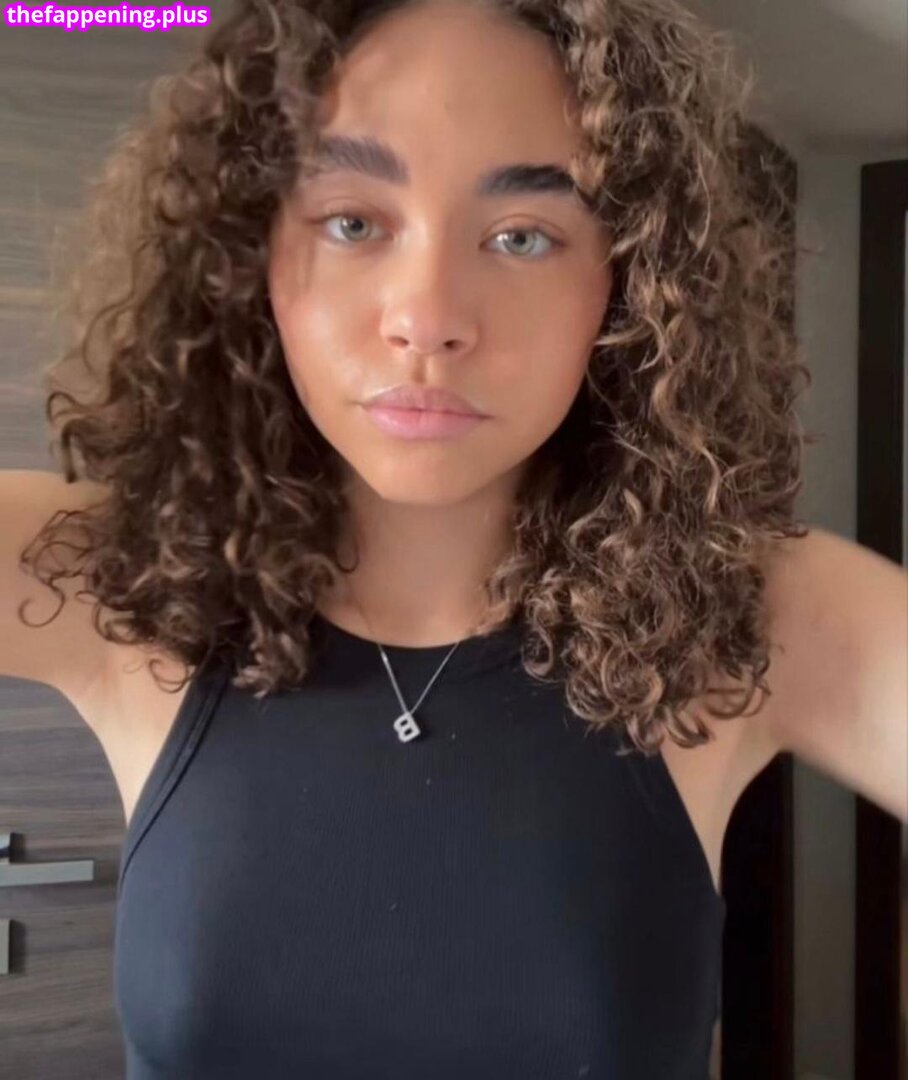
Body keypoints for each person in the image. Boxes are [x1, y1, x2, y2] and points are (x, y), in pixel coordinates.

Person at [3, 0, 905, 1077]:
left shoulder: (757, 609)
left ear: (627, 283)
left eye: (521, 236)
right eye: (352, 222)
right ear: (247, 252)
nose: (427, 316)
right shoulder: (102, 573)